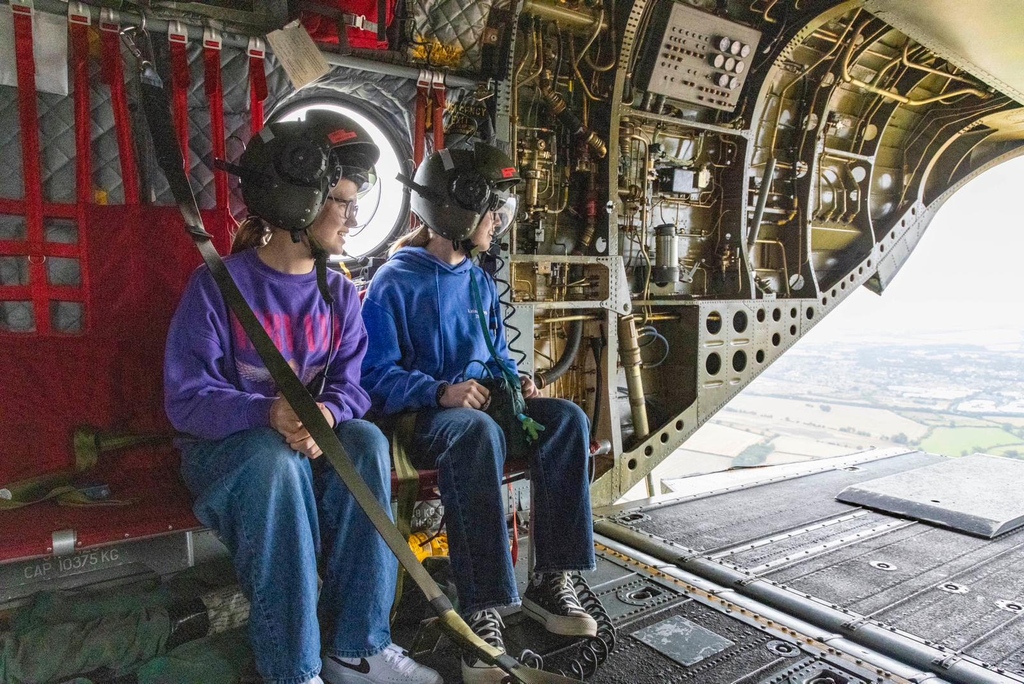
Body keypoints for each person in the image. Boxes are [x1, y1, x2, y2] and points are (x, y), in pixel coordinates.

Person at [164, 110, 441, 684]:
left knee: (365, 441)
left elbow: (351, 386)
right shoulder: (218, 286)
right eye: (343, 202)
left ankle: (358, 647)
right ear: (300, 205)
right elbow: (187, 400)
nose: (354, 217)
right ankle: (293, 668)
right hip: (230, 455)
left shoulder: (338, 293)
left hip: (304, 448)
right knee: (276, 463)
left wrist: (327, 414)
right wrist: (268, 412)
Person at [360, 144, 597, 684]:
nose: (498, 222)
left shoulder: (479, 280)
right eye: (492, 211)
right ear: (456, 213)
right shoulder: (395, 282)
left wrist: (518, 384)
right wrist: (440, 391)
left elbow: (497, 355)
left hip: (481, 411)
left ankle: (550, 581)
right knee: (475, 431)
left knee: (567, 420)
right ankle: (481, 608)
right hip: (425, 419)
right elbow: (374, 376)